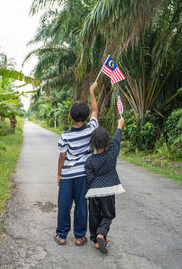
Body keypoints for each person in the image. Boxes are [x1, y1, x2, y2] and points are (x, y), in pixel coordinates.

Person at [54, 82, 99, 246]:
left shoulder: (65, 136)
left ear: (71, 117)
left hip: (67, 176)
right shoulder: (91, 129)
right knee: (81, 205)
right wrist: (92, 92)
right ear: (86, 117)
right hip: (83, 176)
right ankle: (80, 237)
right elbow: (95, 110)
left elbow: (62, 156)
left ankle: (62, 236)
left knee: (64, 205)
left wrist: (59, 174)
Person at [85, 118, 125, 254]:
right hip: (108, 189)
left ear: (92, 143)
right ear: (107, 141)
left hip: (94, 191)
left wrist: (88, 192)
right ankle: (102, 234)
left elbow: (89, 179)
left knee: (94, 216)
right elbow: (117, 140)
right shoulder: (112, 153)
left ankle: (96, 241)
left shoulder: (89, 160)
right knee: (108, 215)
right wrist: (119, 126)